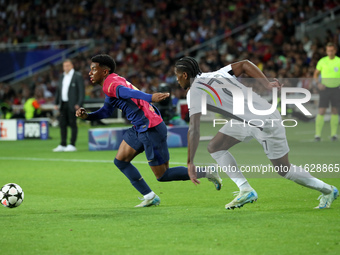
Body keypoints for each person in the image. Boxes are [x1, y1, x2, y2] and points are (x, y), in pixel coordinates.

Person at [174, 56, 339, 210]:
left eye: (177, 76)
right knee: (215, 146)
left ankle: (328, 190)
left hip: (265, 122)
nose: (177, 80)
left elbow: (194, 128)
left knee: (283, 169)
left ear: (185, 74)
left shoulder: (194, 92)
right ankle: (245, 189)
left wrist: (190, 162)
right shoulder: (218, 73)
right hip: (247, 119)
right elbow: (245, 64)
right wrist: (267, 84)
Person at [76, 54, 221, 208]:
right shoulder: (113, 81)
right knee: (120, 161)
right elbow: (106, 111)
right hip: (142, 126)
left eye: (93, 69)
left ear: (105, 72)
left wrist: (149, 97)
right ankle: (149, 196)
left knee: (163, 175)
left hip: (149, 128)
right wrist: (87, 116)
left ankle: (206, 171)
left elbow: (127, 93)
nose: (90, 73)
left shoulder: (111, 84)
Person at [53, 59, 85, 152]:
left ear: (72, 66)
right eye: (64, 66)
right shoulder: (62, 76)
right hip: (63, 103)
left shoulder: (77, 76)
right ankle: (63, 144)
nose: (66, 67)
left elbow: (81, 91)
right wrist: (56, 103)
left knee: (72, 124)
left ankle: (72, 144)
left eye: (67, 66)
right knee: (62, 124)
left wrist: (79, 104)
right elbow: (59, 91)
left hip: (73, 104)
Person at [313, 42, 340, 142]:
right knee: (321, 111)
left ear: (335, 51)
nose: (330, 52)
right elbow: (315, 74)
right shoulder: (322, 61)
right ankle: (317, 135)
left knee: (335, 111)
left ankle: (334, 134)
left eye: (331, 50)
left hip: (336, 89)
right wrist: (318, 83)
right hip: (325, 89)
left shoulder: (339, 61)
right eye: (328, 50)